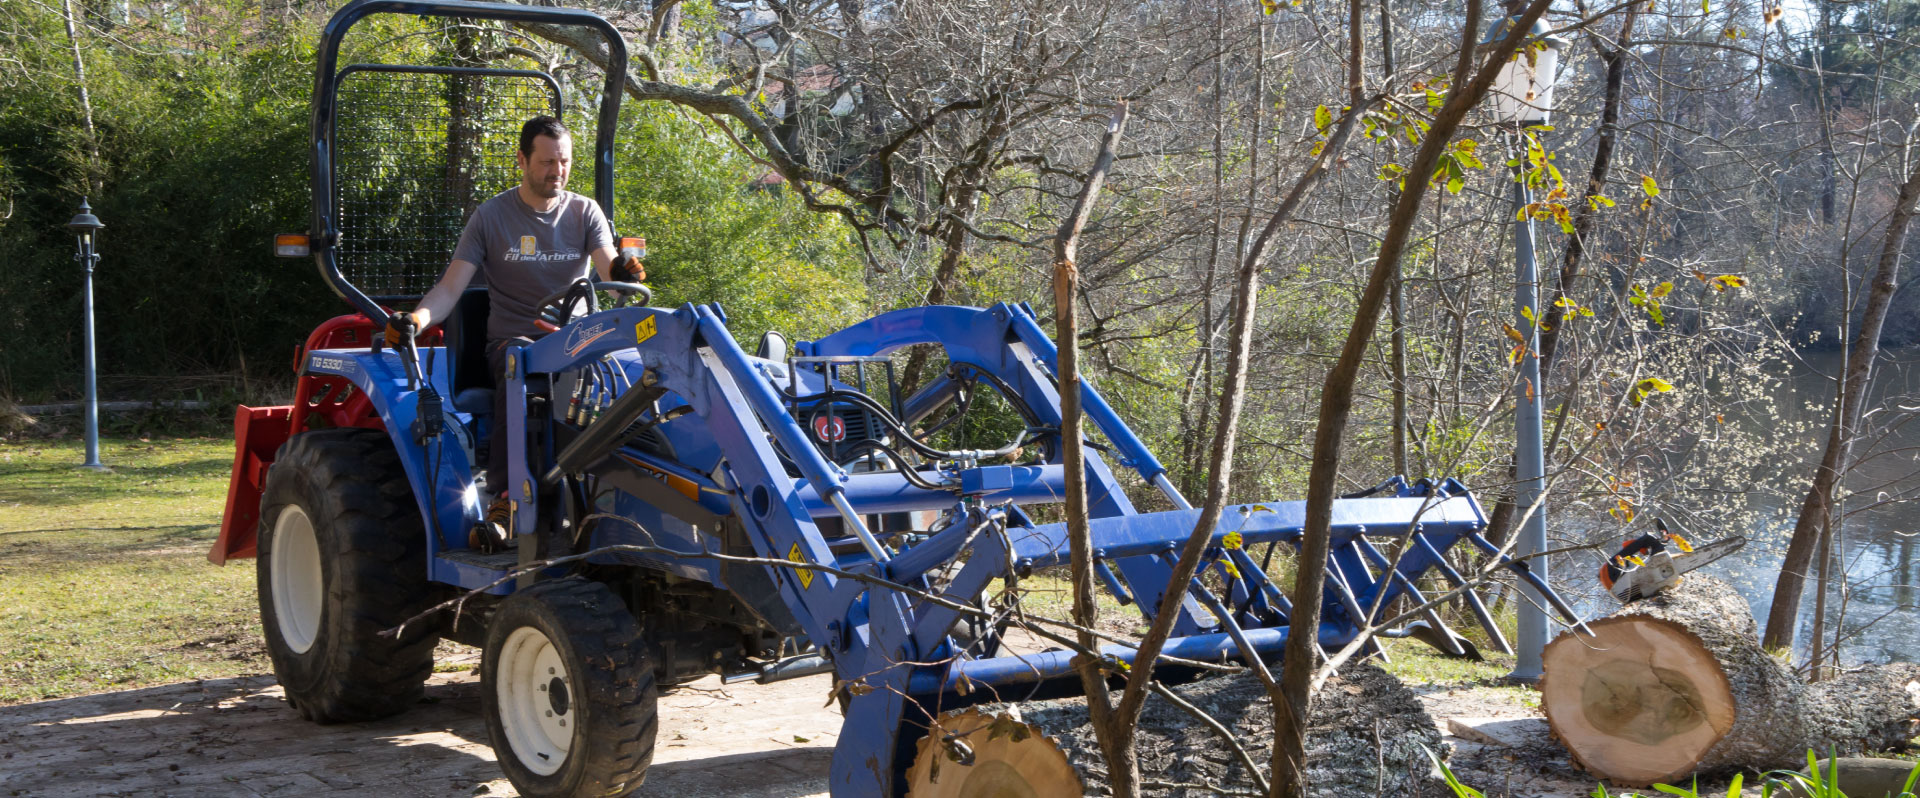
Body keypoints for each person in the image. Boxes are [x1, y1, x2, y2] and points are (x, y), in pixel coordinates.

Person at [384, 115, 643, 550]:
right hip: (514, 343)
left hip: (575, 343)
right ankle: (506, 500)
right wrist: (416, 320)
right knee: (517, 365)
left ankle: (618, 496)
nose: (556, 172)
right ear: (522, 161)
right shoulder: (491, 217)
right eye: (545, 162)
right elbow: (451, 288)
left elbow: (608, 269)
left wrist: (621, 269)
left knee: (633, 374)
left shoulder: (584, 212)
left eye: (563, 162)